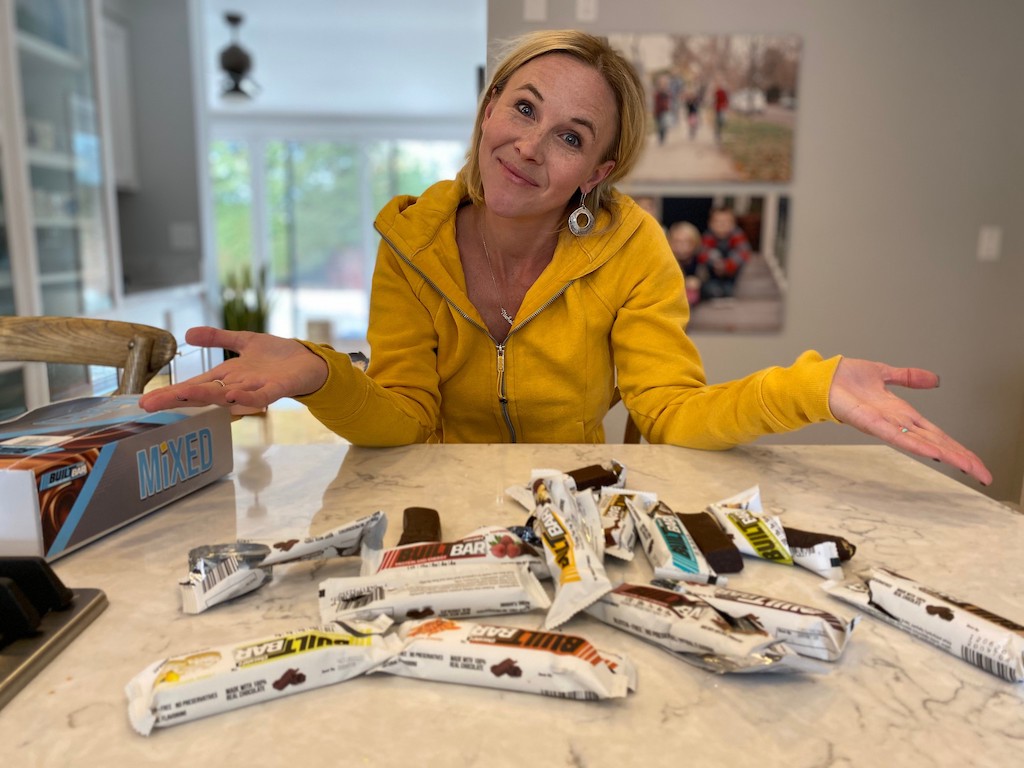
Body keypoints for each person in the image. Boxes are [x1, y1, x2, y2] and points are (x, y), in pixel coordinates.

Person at [138, 29, 991, 486]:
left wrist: (814, 385)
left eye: (570, 136)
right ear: (486, 110)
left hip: (582, 503)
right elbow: (402, 416)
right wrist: (320, 373)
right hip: (437, 508)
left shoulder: (634, 251)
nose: (528, 146)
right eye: (522, 108)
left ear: (597, 173)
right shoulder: (410, 241)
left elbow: (672, 413)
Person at [697, 206, 752, 300]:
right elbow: (702, 254)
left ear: (733, 224)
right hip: (713, 272)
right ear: (710, 224)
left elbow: (744, 253)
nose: (722, 225)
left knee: (728, 290)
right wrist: (715, 264)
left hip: (731, 273)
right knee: (710, 289)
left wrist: (727, 266)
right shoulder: (708, 236)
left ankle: (728, 290)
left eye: (726, 222)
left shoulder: (737, 235)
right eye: (717, 222)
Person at [666, 220, 704, 306]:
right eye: (677, 241)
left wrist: (699, 282)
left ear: (695, 243)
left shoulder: (700, 261)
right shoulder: (667, 261)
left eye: (686, 242)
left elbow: (705, 278)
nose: (681, 246)